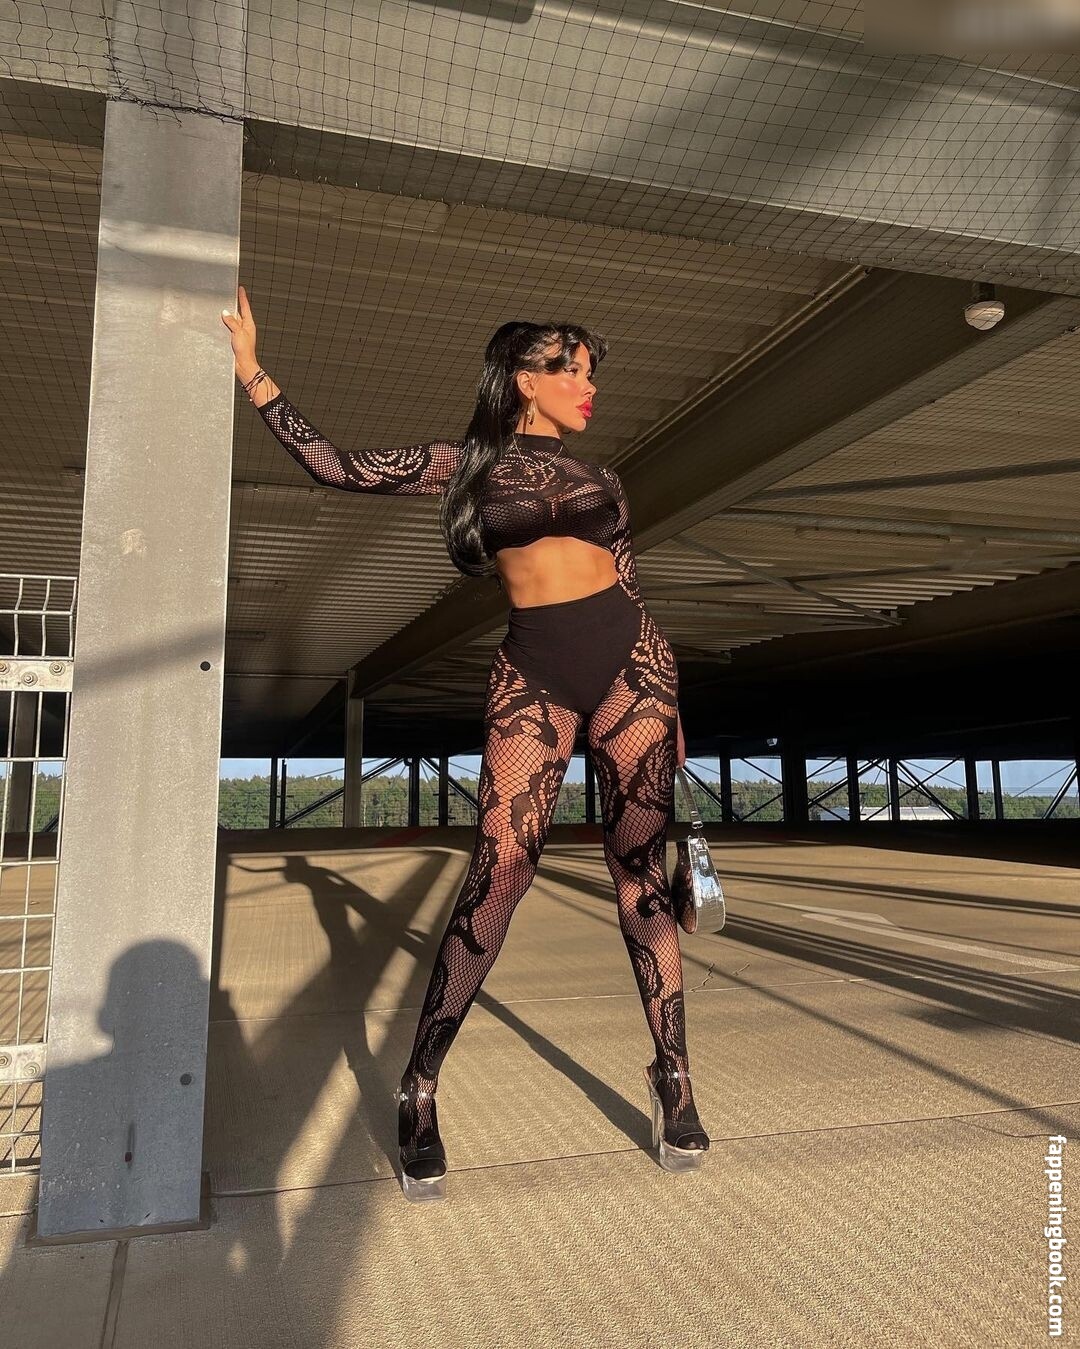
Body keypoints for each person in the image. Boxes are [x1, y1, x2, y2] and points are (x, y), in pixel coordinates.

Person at [222, 286, 710, 1202]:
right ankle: (419, 1083)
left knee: (641, 872)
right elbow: (337, 467)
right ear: (525, 378)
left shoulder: (606, 480)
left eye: (591, 373)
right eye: (573, 371)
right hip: (535, 673)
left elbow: (630, 579)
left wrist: (671, 704)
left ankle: (673, 1072)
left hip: (636, 665)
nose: (590, 387)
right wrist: (254, 373)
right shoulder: (468, 466)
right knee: (499, 871)